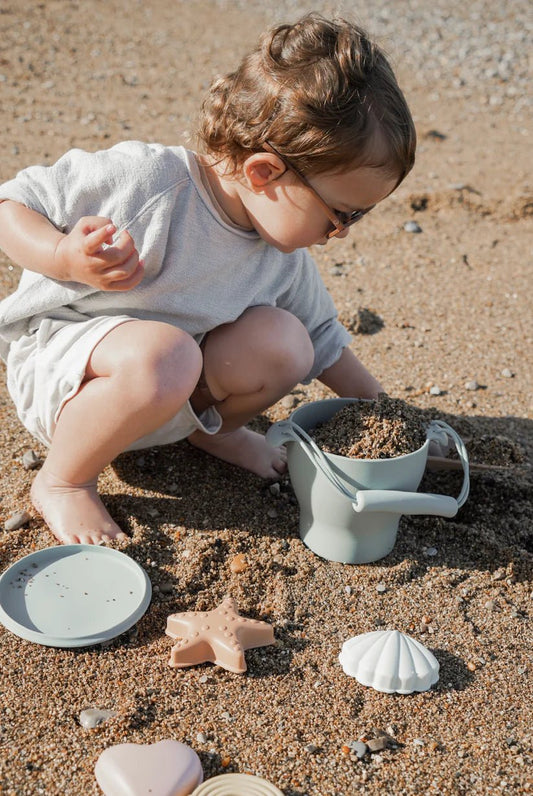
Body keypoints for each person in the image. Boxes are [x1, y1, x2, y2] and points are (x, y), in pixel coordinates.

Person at [0, 13, 416, 545]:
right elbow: (17, 200)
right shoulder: (147, 183)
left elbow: (325, 345)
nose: (343, 233)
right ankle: (64, 481)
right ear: (266, 173)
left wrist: (395, 419)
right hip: (66, 382)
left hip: (168, 394)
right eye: (343, 214)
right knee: (167, 356)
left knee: (288, 344)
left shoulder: (280, 253)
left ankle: (212, 434)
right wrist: (62, 254)